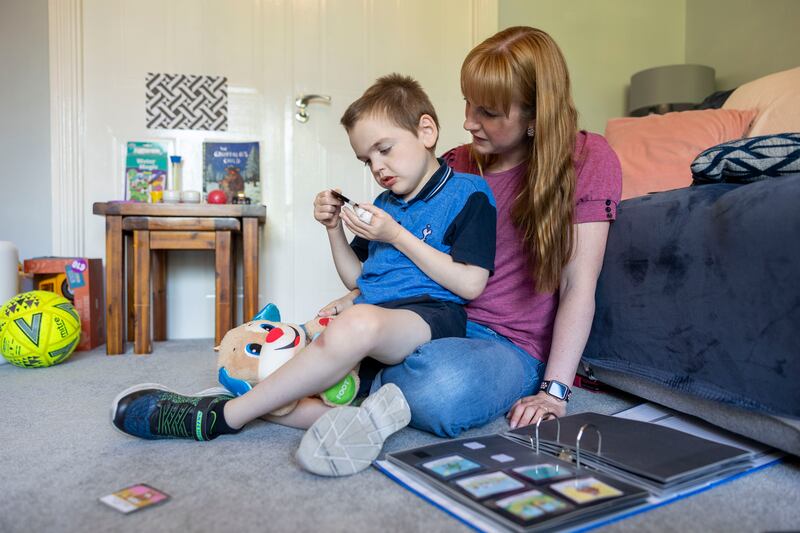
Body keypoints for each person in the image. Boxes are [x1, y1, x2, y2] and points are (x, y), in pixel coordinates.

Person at [110, 74, 497, 476]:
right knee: (275, 359)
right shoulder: (385, 204)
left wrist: (395, 235)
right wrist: (334, 230)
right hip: (370, 311)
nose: (378, 167)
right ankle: (361, 421)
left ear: (426, 130)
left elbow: (470, 283)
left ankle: (224, 416)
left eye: (384, 149)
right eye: (367, 160)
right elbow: (357, 279)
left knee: (355, 322)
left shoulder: (468, 194)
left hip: (429, 315)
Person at [315, 26, 621, 437]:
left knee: (442, 387)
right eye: (467, 103)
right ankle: (344, 381)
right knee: (331, 337)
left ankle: (343, 386)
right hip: (428, 317)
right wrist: (353, 298)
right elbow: (388, 259)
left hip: (505, 344)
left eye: (488, 113)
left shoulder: (587, 158)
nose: (467, 122)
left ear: (535, 115)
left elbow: (578, 284)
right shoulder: (453, 163)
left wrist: (554, 391)